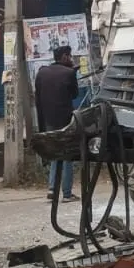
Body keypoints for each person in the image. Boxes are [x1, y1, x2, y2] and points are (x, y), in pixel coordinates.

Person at [35, 45, 81, 200]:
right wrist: (73, 72)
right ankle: (66, 193)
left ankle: (52, 190)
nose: (71, 59)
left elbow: (38, 97)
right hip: (65, 120)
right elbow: (74, 94)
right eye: (70, 56)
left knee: (56, 154)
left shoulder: (42, 72)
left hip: (47, 120)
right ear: (64, 57)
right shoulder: (69, 73)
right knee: (67, 155)